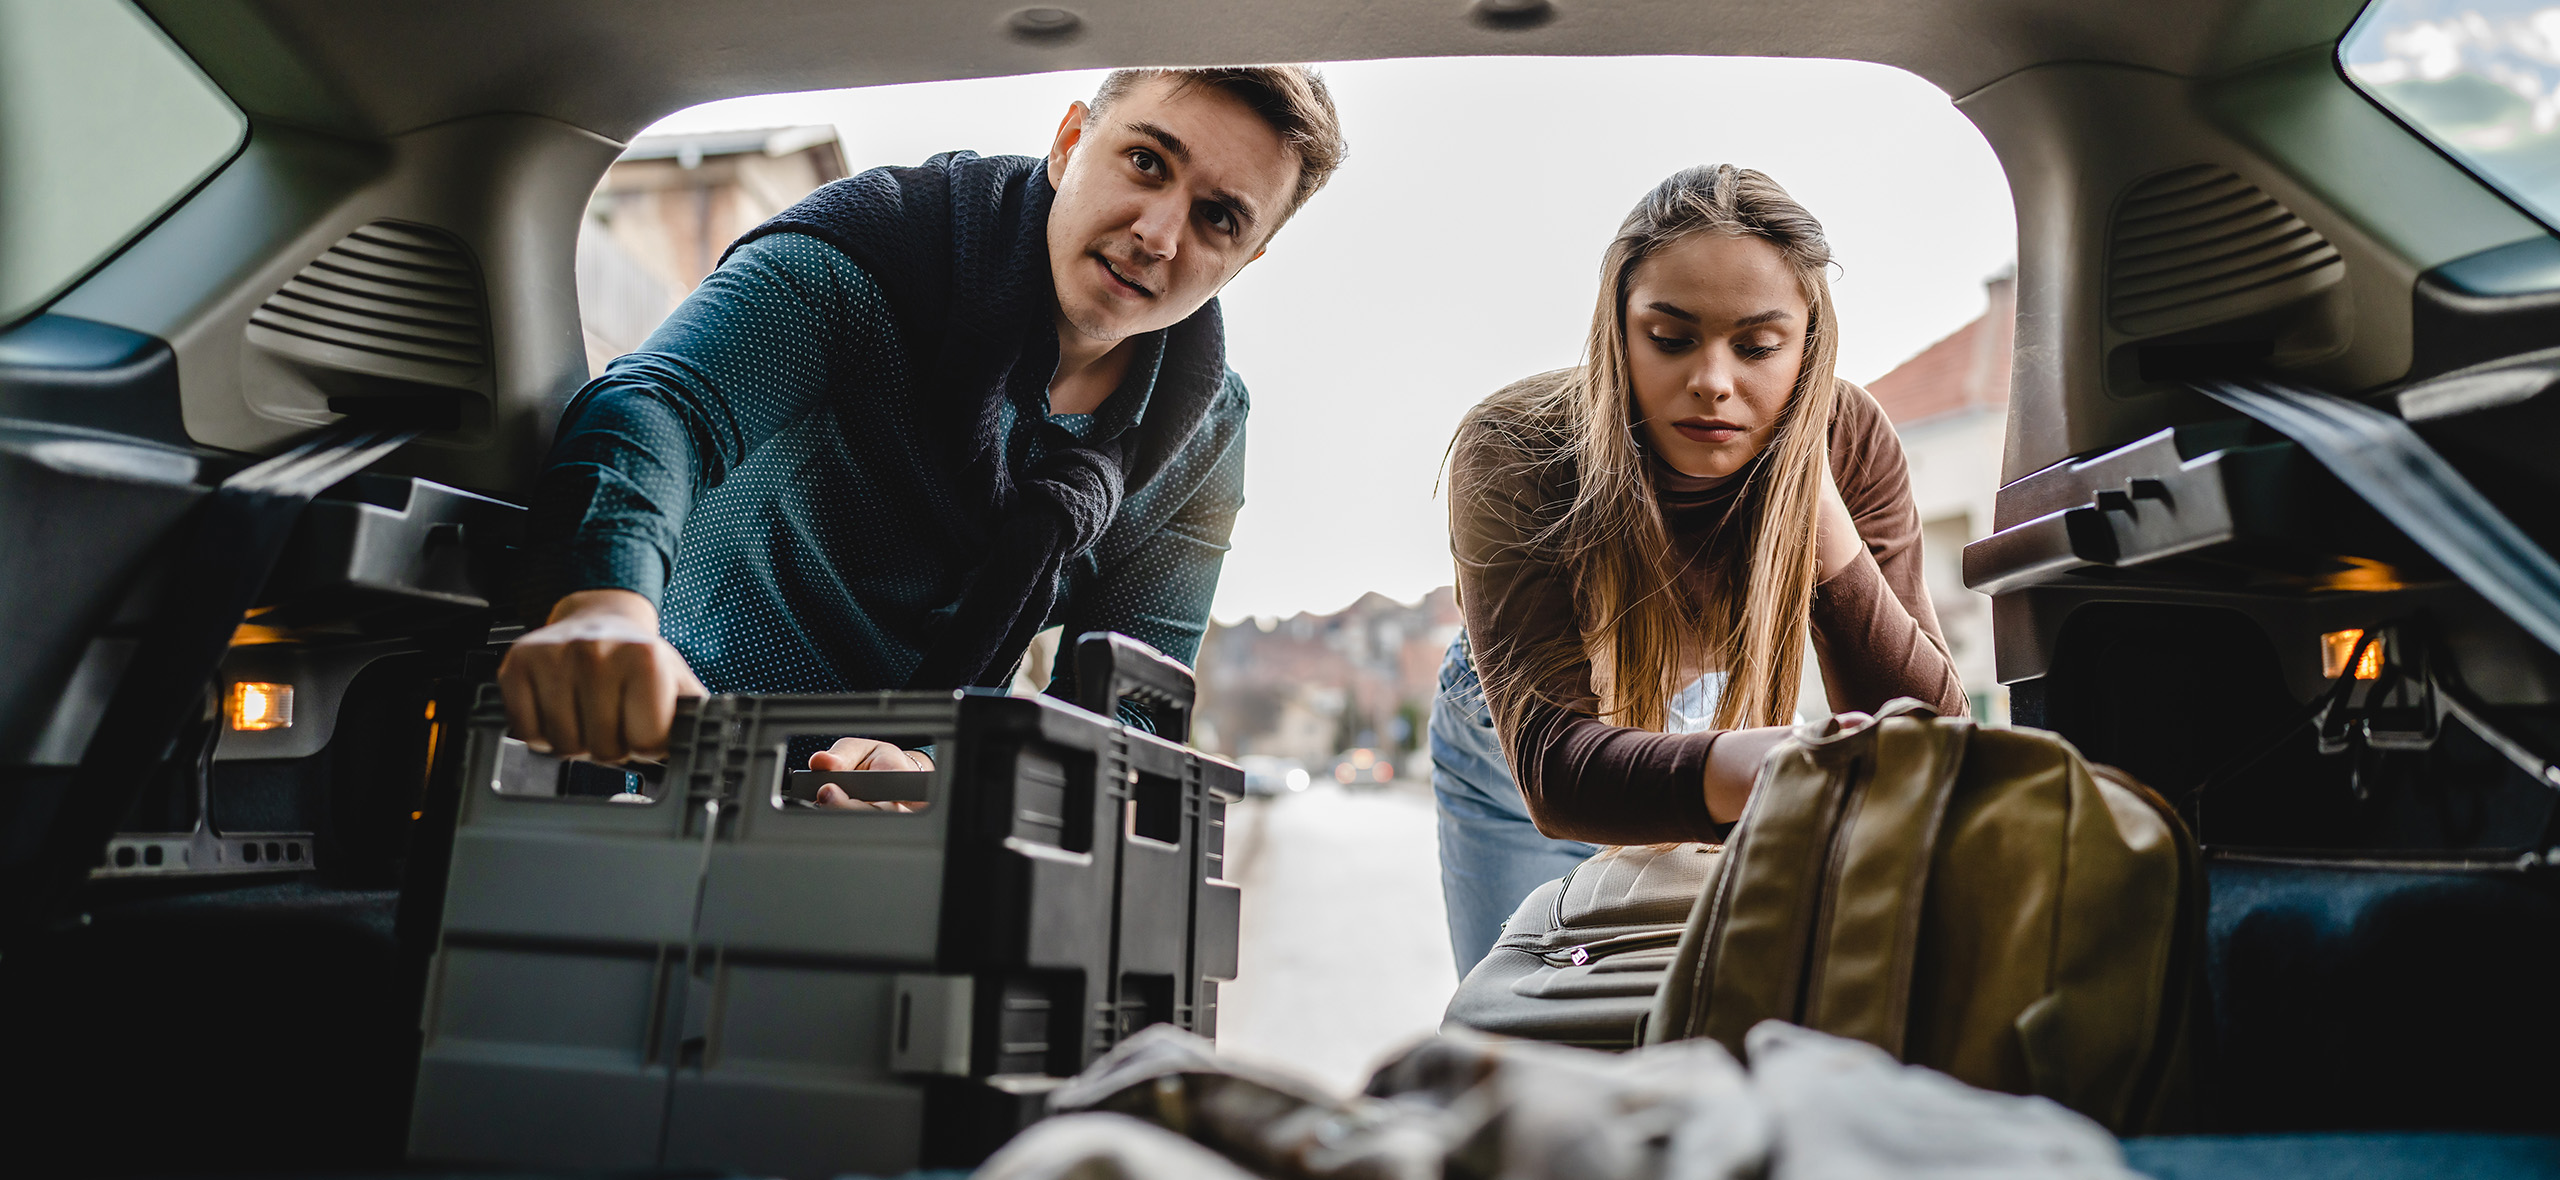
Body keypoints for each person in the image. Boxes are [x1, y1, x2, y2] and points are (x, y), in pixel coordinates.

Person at [501, 67, 1346, 803]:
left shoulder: (1203, 438)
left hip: (931, 827)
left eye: (1219, 219)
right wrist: (606, 605)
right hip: (667, 749)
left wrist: (949, 778)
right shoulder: (884, 244)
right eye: (1146, 162)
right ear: (1069, 142)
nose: (1158, 235)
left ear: (1250, 256)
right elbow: (663, 403)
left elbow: (1134, 705)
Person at [1434, 164, 1964, 973]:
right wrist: (1756, 764)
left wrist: (1812, 506)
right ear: (1618, 330)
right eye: (1671, 339)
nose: (1713, 383)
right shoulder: (1516, 445)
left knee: (1690, 1019)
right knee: (1515, 1027)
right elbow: (1556, 771)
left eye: (1757, 346)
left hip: (1707, 715)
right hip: (1509, 740)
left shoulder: (1850, 438)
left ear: (1808, 351)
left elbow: (1929, 734)